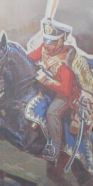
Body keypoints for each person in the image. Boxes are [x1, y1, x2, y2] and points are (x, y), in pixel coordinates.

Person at [27, 19, 80, 162]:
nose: (47, 45)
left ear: (60, 42)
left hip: (66, 94)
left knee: (52, 112)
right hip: (48, 87)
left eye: (51, 42)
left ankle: (54, 149)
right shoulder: (44, 48)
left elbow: (66, 89)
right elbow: (29, 59)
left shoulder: (66, 62)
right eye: (46, 40)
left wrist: (46, 81)